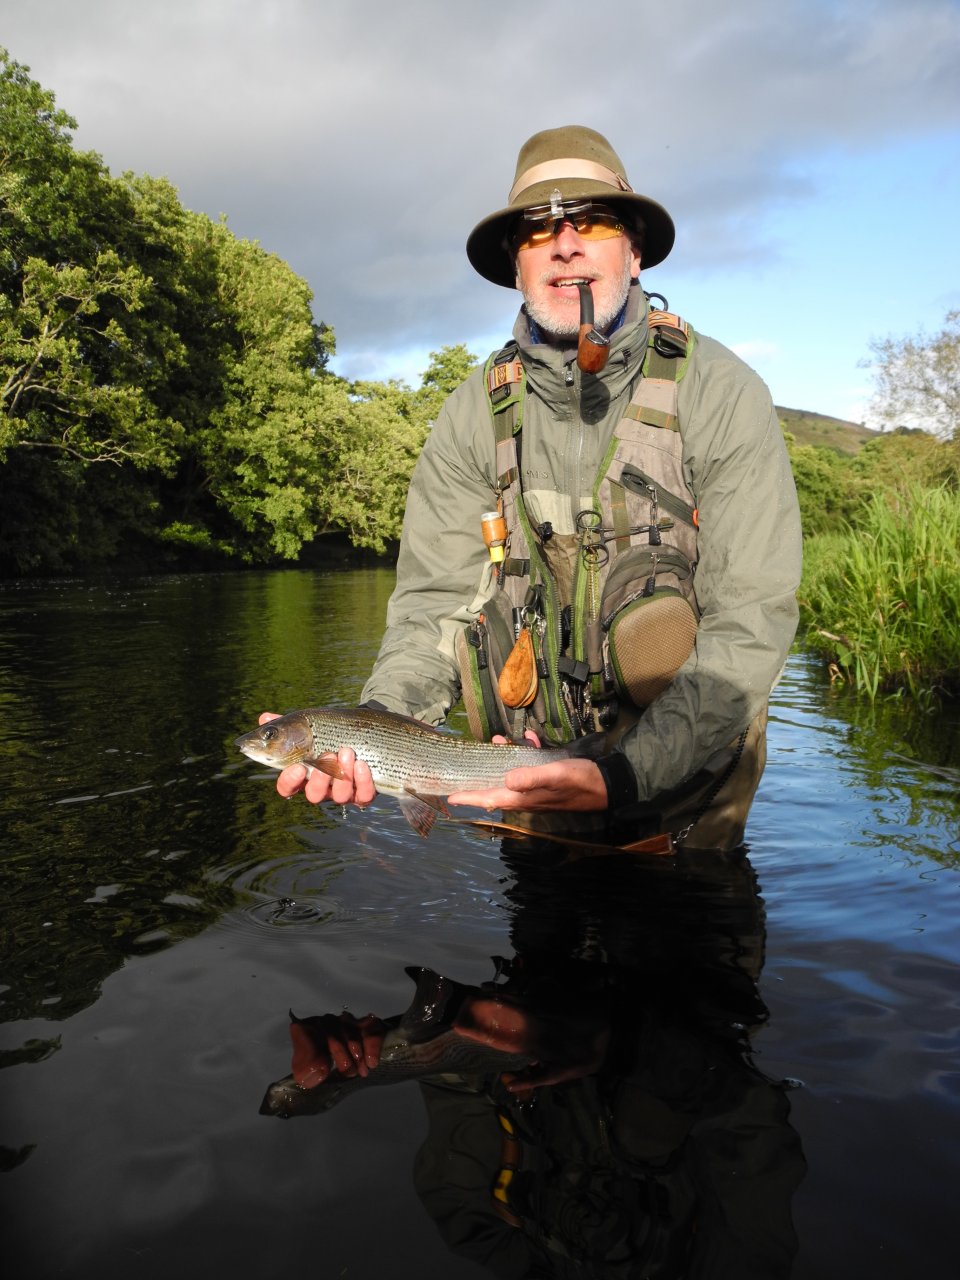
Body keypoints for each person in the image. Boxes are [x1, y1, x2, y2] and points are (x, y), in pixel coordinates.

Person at [271, 125, 802, 851]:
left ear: (635, 250)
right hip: (523, 787)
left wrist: (625, 776)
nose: (566, 243)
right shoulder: (467, 417)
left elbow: (750, 620)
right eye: (537, 229)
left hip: (687, 804)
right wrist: (374, 730)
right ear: (516, 266)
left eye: (594, 221)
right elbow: (433, 606)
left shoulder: (721, 393)